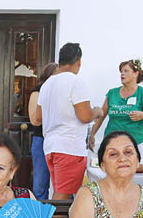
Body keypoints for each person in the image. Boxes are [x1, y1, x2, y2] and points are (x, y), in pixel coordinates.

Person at [34, 42, 103, 200]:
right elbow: (85, 116)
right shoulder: (75, 81)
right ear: (78, 62)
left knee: (58, 190)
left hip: (51, 146)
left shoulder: (47, 85)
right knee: (63, 195)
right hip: (69, 146)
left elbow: (38, 117)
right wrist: (97, 111)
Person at [89, 59, 143, 157]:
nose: (122, 74)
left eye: (126, 71)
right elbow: (101, 116)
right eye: (121, 72)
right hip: (111, 143)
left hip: (134, 144)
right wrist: (92, 135)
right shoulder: (112, 93)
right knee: (110, 171)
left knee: (131, 172)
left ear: (136, 73)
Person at [27, 62, 58, 200]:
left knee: (61, 183)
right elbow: (34, 120)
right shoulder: (37, 92)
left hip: (60, 140)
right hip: (41, 140)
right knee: (40, 182)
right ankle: (40, 217)